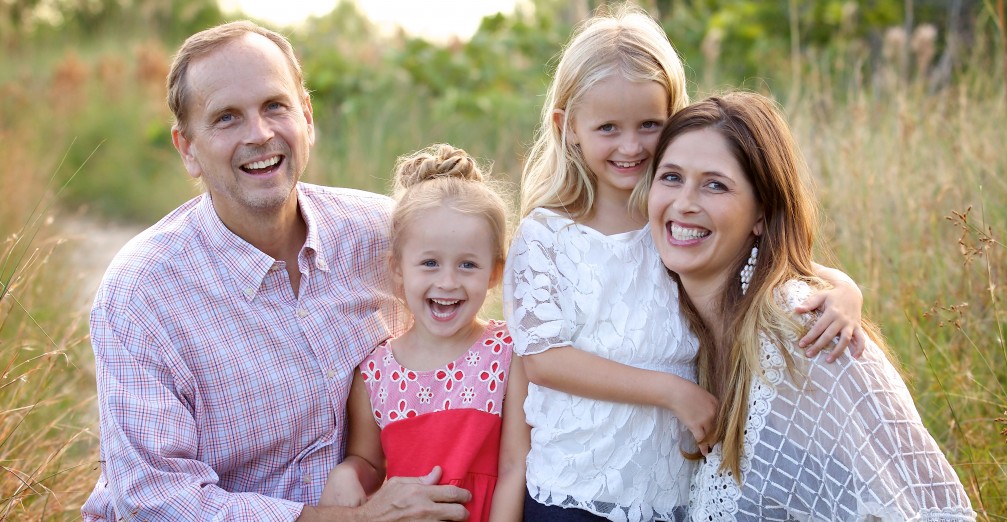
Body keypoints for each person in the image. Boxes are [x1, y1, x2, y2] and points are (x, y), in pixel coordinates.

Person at [83, 21, 471, 521]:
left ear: (306, 117)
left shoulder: (385, 236)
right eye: (226, 118)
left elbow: (466, 350)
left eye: (274, 106)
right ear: (187, 149)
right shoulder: (143, 293)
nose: (260, 134)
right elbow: (156, 501)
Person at [503, 4, 866, 521]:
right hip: (573, 492)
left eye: (650, 124)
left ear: (675, 116)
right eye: (608, 127)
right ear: (568, 127)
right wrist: (674, 392)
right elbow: (544, 358)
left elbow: (771, 264)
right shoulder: (548, 234)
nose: (631, 146)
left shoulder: (676, 224)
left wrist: (846, 289)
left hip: (671, 492)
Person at [639, 91, 976, 520]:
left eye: (715, 184)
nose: (684, 202)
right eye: (671, 177)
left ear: (761, 214)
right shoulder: (665, 322)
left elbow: (922, 505)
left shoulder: (806, 332)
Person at [317, 144, 530, 521]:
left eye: (468, 264)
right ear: (398, 268)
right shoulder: (375, 372)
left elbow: (515, 466)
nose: (447, 282)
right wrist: (347, 472)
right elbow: (368, 460)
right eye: (429, 263)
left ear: (495, 272)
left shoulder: (507, 353)